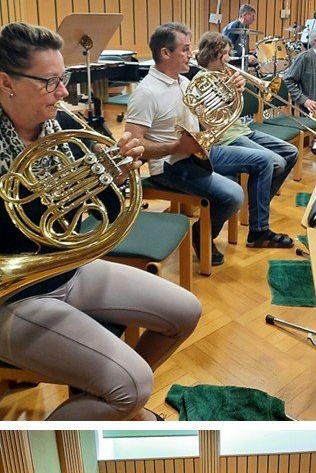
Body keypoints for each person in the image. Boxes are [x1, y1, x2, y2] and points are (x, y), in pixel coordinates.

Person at [0, 22, 201, 421]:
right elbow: (21, 228)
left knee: (186, 311)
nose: (63, 92)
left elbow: (107, 207)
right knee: (135, 387)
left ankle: (114, 403)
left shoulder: (64, 125)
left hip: (68, 271)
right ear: (6, 82)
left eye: (65, 78)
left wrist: (120, 173)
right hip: (15, 296)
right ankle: (110, 405)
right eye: (50, 82)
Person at [125, 23, 245, 268]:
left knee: (250, 167)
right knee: (233, 195)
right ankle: (202, 236)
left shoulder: (183, 82)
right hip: (168, 167)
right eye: (186, 49)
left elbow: (209, 115)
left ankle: (204, 231)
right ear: (165, 53)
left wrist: (231, 93)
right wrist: (176, 147)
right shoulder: (146, 93)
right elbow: (133, 146)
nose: (192, 54)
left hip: (193, 157)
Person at [196, 31, 297, 248]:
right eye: (225, 54)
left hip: (242, 130)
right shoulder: (201, 80)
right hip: (225, 138)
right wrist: (232, 94)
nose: (229, 58)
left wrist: (237, 95)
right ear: (214, 54)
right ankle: (259, 227)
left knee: (291, 152)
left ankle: (256, 207)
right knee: (274, 162)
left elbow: (235, 113)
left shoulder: (224, 76)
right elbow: (209, 122)